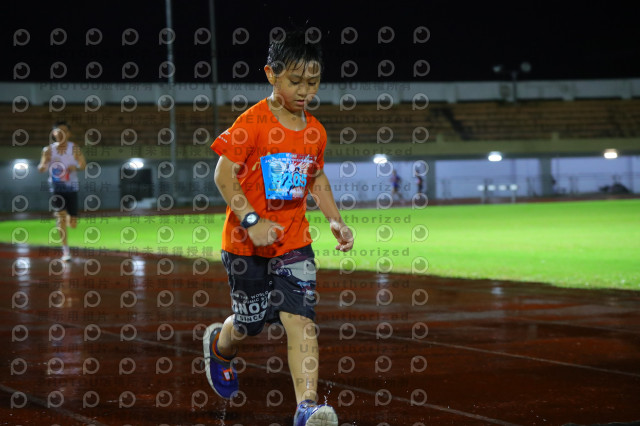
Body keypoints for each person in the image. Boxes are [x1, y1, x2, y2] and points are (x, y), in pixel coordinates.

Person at [203, 30, 354, 426]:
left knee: (300, 320)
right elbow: (222, 175)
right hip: (245, 246)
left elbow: (315, 177)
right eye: (296, 81)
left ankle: (306, 408)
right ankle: (219, 346)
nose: (305, 91)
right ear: (271, 74)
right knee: (249, 325)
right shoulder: (252, 122)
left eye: (313, 82)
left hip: (293, 242)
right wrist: (252, 221)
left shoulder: (315, 131)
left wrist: (335, 220)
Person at [37, 121, 86, 261]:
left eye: (64, 131)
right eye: (58, 131)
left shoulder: (74, 148)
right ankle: (66, 251)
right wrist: (44, 163)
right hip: (56, 187)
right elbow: (41, 168)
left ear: (69, 134)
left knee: (73, 224)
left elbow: (83, 165)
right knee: (60, 217)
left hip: (72, 187)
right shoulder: (48, 150)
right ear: (54, 134)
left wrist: (75, 167)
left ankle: (71, 217)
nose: (61, 134)